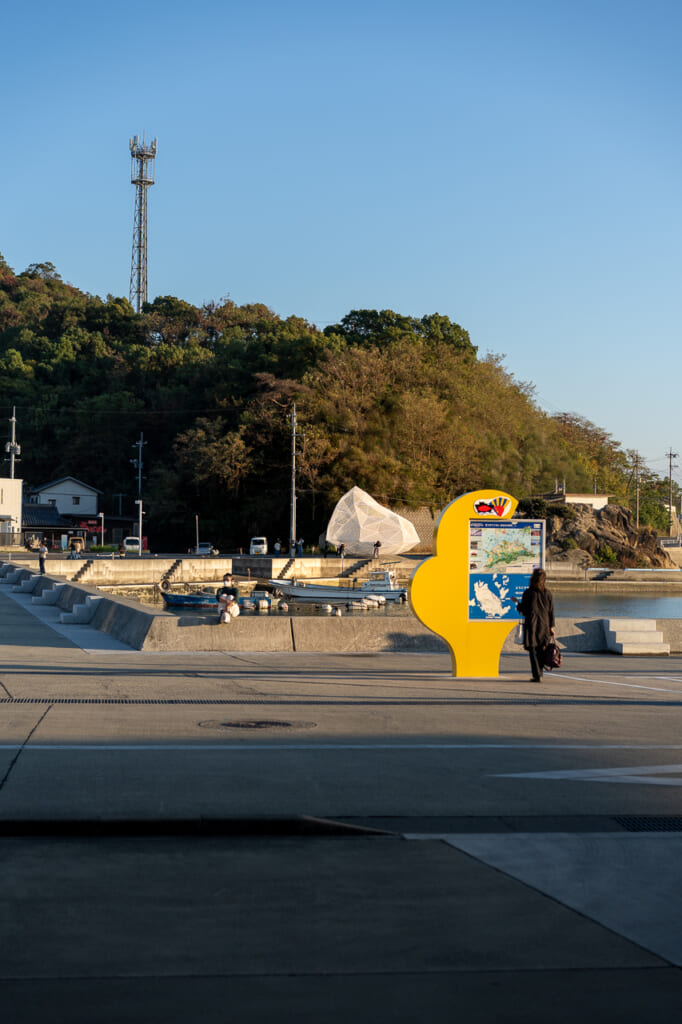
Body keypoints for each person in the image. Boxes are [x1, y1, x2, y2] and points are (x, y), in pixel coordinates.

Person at [516, 568, 555, 682]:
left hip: (532, 624)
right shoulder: (548, 593)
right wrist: (551, 627)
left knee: (533, 649)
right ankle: (540, 673)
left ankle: (537, 674)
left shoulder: (528, 593)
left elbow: (524, 610)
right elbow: (551, 611)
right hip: (544, 624)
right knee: (542, 649)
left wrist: (517, 603)